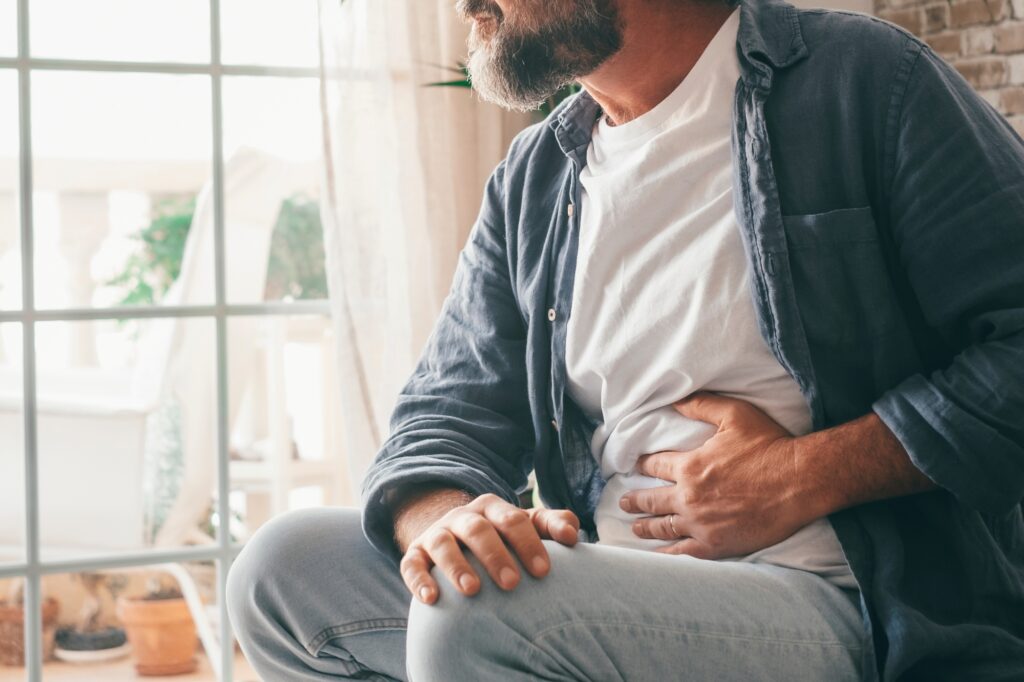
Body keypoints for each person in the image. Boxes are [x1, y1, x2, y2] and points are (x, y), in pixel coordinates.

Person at [226, 0, 1024, 679]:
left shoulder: (866, 83)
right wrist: (447, 521)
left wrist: (802, 475)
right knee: (283, 571)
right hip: (607, 588)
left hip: (852, 604)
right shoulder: (536, 178)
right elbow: (444, 411)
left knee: (480, 617)